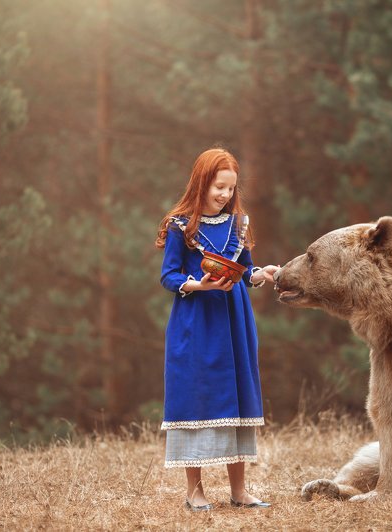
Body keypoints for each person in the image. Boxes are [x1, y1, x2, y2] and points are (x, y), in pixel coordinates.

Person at [155, 147, 279, 511]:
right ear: (202, 182)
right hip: (195, 322)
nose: (224, 195)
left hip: (234, 321)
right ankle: (195, 491)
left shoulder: (238, 223)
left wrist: (261, 275)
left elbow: (247, 269)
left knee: (237, 396)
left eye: (230, 188)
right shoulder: (181, 226)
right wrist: (201, 285)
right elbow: (168, 277)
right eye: (218, 187)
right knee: (195, 395)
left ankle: (239, 491)